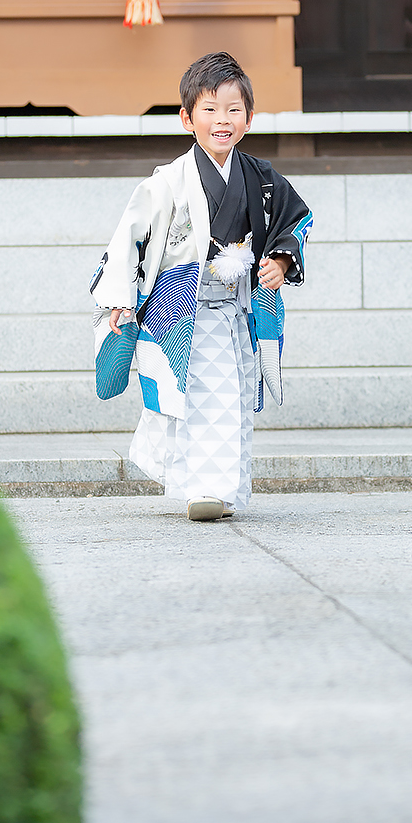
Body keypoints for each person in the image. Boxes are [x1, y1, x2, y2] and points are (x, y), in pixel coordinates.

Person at [90, 51, 312, 521]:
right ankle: (204, 490)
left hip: (237, 308)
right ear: (186, 118)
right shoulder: (167, 182)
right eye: (209, 110)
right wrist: (119, 302)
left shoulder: (262, 178)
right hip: (182, 306)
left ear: (249, 118)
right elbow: (130, 236)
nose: (222, 120)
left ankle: (220, 489)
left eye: (233, 110)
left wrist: (280, 258)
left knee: (231, 398)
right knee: (199, 397)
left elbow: (297, 218)